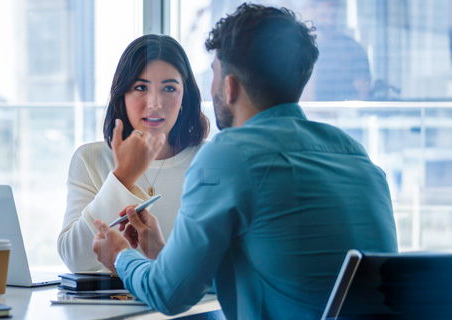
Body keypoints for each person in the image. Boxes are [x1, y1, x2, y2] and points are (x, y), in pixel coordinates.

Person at [92, 4, 398, 319]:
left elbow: (168, 295)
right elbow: (285, 275)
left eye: (214, 74)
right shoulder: (354, 153)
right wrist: (162, 253)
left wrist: (120, 256)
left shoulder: (230, 156)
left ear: (229, 85)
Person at [58, 34, 210, 272]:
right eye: (141, 87)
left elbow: (224, 266)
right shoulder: (90, 158)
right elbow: (75, 260)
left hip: (191, 308)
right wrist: (122, 178)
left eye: (169, 88)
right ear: (122, 95)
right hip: (110, 308)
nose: (155, 103)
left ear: (185, 98)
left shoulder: (211, 160)